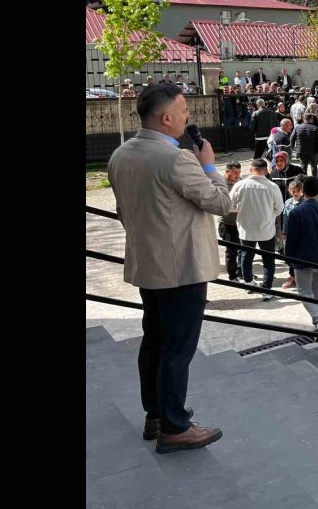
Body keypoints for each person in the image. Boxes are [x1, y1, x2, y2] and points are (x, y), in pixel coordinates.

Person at [107, 83, 231, 453]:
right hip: (182, 269)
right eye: (183, 112)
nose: (187, 117)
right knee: (178, 349)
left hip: (149, 265)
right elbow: (221, 202)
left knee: (155, 342)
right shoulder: (177, 159)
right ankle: (176, 427)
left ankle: (157, 412)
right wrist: (208, 163)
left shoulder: (120, 155)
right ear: (166, 118)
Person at [283, 175, 318, 334]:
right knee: (316, 288)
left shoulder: (296, 212)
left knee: (304, 291)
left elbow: (291, 239)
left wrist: (288, 258)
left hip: (303, 257)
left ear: (303, 191)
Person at [230, 158, 285, 300]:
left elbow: (230, 205)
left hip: (246, 228)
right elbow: (279, 208)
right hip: (266, 228)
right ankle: (267, 288)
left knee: (246, 255)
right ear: (266, 171)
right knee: (268, 259)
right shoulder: (272, 186)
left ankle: (248, 282)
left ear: (250, 169)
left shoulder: (239, 185)